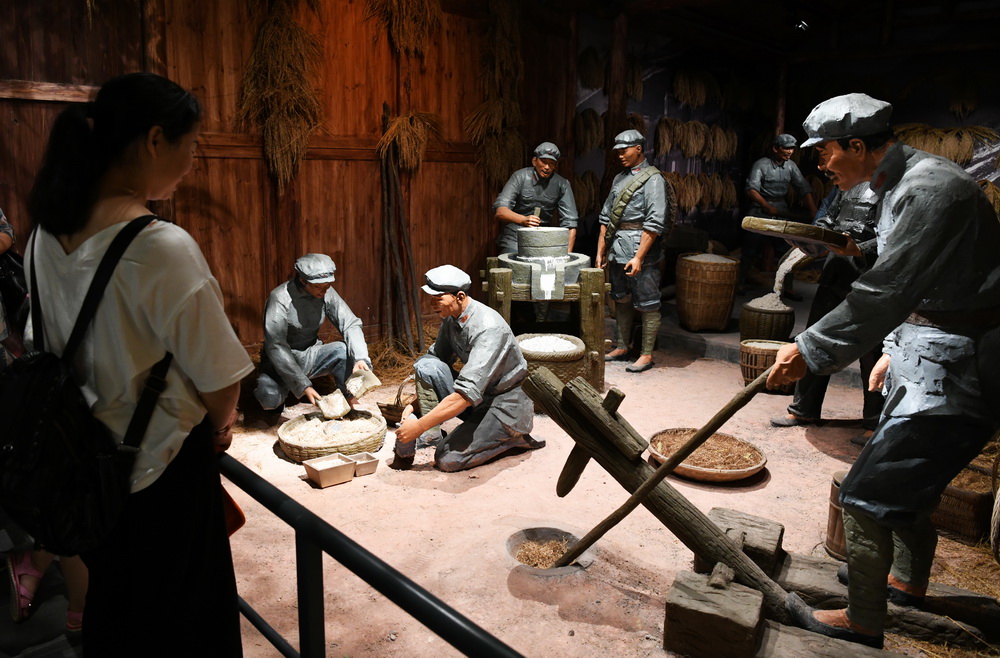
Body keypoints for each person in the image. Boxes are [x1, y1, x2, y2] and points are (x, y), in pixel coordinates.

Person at [24, 72, 253, 655]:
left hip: (83, 471)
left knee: (117, 616)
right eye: (191, 146)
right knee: (187, 628)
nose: (192, 164)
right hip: (159, 478)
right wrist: (219, 430)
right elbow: (221, 381)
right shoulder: (159, 246)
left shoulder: (43, 237)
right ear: (155, 140)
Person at [769, 93, 1000, 648]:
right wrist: (895, 349)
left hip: (962, 365)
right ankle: (905, 584)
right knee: (903, 486)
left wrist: (810, 348)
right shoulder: (897, 185)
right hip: (930, 349)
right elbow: (919, 273)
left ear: (856, 145)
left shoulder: (930, 188)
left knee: (866, 493)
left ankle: (863, 621)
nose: (820, 164)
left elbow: (887, 290)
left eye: (824, 152)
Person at [391, 265, 540, 471]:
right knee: (428, 365)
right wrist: (414, 406)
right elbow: (436, 360)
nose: (432, 304)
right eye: (431, 298)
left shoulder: (488, 328)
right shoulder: (452, 319)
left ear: (459, 297)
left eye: (438, 298)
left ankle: (512, 437)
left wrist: (419, 426)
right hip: (480, 397)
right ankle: (441, 433)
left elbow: (465, 395)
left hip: (505, 403)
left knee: (447, 459)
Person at [770, 181, 884, 439]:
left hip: (870, 276)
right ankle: (803, 409)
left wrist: (861, 248)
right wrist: (816, 236)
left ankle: (874, 422)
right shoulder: (847, 184)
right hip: (835, 271)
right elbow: (828, 217)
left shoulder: (894, 187)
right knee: (815, 339)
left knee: (871, 351)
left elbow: (895, 235)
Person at [254, 253, 372, 417]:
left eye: (327, 285)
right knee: (269, 398)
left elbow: (350, 323)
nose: (324, 290)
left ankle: (347, 398)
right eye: (318, 286)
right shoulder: (280, 297)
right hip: (281, 362)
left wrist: (360, 357)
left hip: (311, 354)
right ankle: (283, 394)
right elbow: (276, 345)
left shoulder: (325, 292)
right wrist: (303, 385)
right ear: (303, 281)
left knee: (342, 350)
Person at [597, 129, 674, 374]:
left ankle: (646, 354)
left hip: (642, 250)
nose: (620, 155)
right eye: (618, 151)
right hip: (617, 247)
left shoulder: (653, 179)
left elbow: (654, 222)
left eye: (625, 150)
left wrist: (639, 256)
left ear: (639, 149)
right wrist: (600, 251)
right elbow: (606, 217)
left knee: (648, 303)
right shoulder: (619, 178)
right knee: (620, 298)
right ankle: (622, 346)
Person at [740, 134, 818, 297]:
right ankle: (739, 283)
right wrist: (766, 206)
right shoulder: (761, 164)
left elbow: (804, 189)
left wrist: (813, 212)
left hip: (780, 210)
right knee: (749, 249)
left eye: (792, 149)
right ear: (776, 148)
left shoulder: (791, 166)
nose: (789, 152)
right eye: (786, 148)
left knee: (786, 251)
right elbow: (751, 190)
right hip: (759, 211)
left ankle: (788, 287)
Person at [493, 142, 579, 255]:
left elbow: (571, 223)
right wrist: (523, 220)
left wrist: (567, 255)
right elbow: (500, 211)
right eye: (544, 162)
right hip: (515, 235)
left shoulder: (562, 184)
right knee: (512, 259)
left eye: (551, 163)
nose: (547, 167)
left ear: (555, 166)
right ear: (534, 161)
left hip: (543, 236)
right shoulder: (520, 177)